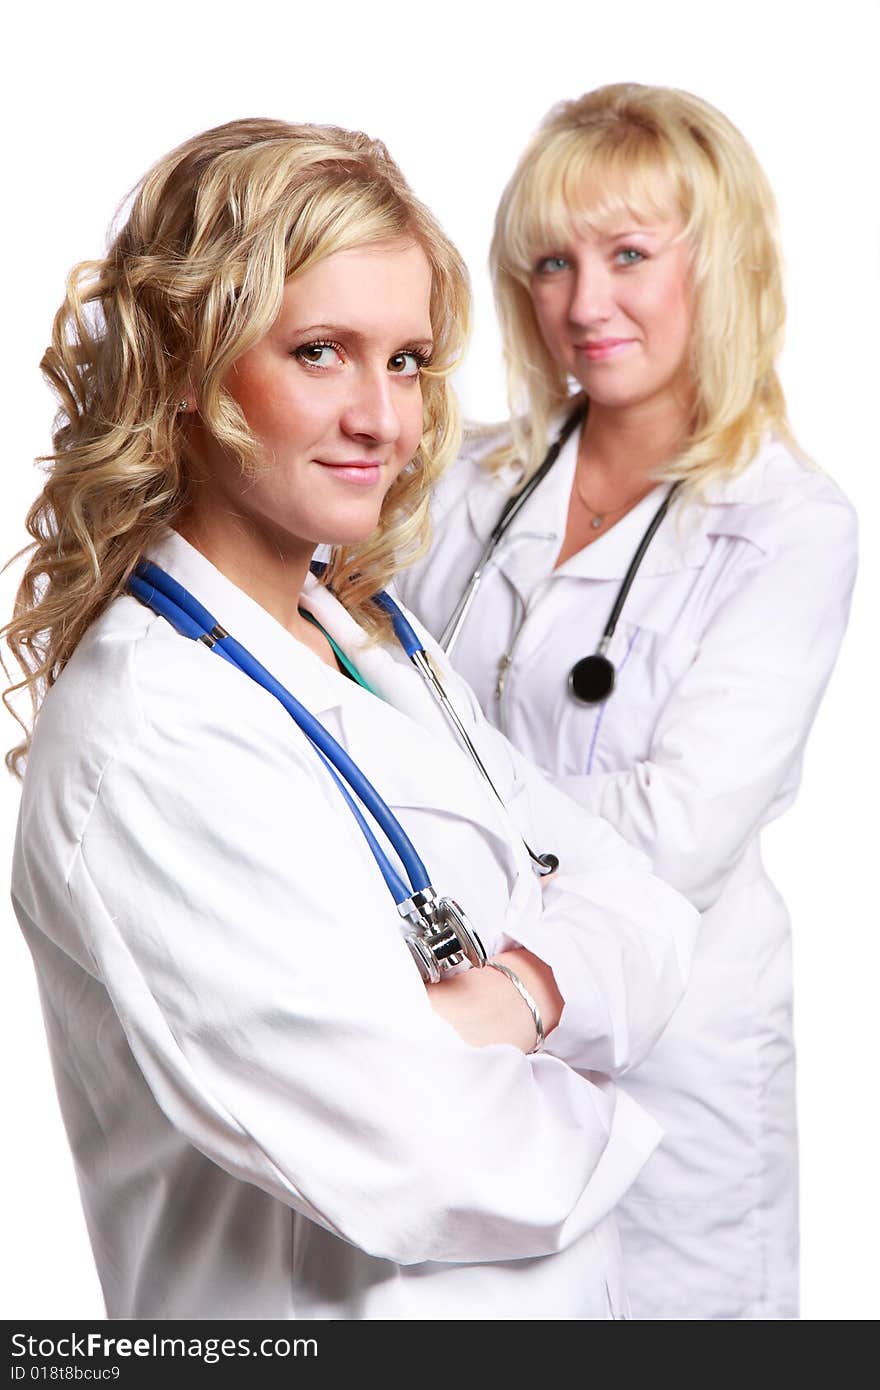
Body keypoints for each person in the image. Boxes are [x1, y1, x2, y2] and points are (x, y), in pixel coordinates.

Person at [4, 118, 697, 1321]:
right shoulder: (154, 735)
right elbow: (434, 1156)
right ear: (187, 360)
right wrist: (593, 1041)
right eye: (321, 351)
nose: (385, 418)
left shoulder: (377, 638)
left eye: (409, 359)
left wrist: (517, 991)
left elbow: (646, 907)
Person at [394, 83, 858, 1320]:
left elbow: (682, 829)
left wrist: (437, 809)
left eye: (627, 256)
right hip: (481, 1035)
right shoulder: (464, 482)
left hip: (673, 1057)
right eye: (549, 262)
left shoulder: (785, 526)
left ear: (724, 264)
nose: (582, 303)